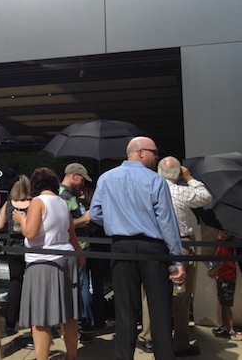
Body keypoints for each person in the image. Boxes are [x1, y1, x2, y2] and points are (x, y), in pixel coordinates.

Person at [90, 136, 185, 360]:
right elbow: (167, 223)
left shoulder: (106, 178)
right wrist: (178, 260)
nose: (157, 156)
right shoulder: (155, 181)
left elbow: (95, 214)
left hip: (121, 247)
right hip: (152, 249)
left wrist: (116, 221)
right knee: (160, 311)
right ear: (141, 152)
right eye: (154, 152)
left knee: (125, 312)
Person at [138, 156, 212, 356]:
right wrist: (189, 178)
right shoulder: (182, 191)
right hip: (181, 243)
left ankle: (148, 336)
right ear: (178, 172)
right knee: (181, 294)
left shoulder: (148, 190)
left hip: (154, 244)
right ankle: (180, 340)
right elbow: (205, 196)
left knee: (150, 292)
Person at [14, 167, 84, 360]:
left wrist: (21, 219)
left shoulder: (38, 202)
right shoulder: (62, 202)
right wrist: (80, 255)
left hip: (43, 262)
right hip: (66, 258)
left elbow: (31, 233)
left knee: (40, 318)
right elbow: (71, 233)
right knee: (69, 316)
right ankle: (72, 356)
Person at [58, 162, 94, 342]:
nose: (83, 184)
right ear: (74, 175)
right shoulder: (64, 196)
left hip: (77, 247)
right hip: (75, 247)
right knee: (81, 287)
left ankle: (80, 324)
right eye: (81, 179)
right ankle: (83, 324)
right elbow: (65, 224)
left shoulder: (67, 194)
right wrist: (85, 218)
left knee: (80, 287)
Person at [0, 175, 32, 336]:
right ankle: (30, 318)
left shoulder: (8, 204)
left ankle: (10, 321)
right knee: (30, 284)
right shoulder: (33, 205)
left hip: (12, 248)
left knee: (15, 282)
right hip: (30, 248)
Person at [208, 230, 239, 340]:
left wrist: (212, 271)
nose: (217, 233)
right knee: (223, 303)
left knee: (226, 304)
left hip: (226, 277)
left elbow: (221, 262)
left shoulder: (224, 247)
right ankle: (225, 326)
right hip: (225, 277)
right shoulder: (226, 246)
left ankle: (230, 329)